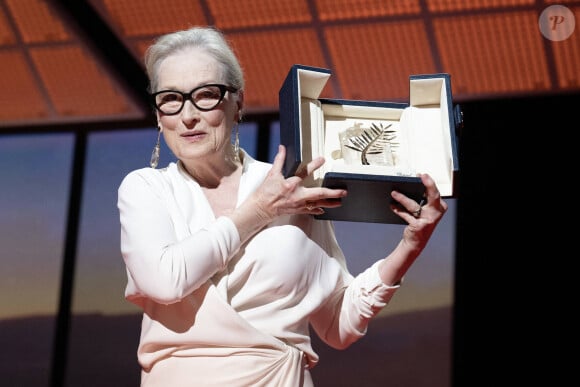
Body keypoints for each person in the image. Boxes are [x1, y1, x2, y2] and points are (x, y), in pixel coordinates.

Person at [117, 25, 448, 387]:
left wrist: (411, 246)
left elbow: (340, 323)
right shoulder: (147, 188)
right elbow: (167, 281)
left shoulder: (290, 188)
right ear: (158, 113)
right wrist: (260, 209)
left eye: (206, 95)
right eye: (170, 99)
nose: (187, 115)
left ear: (237, 102)